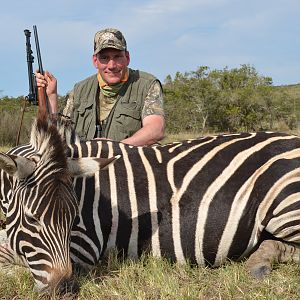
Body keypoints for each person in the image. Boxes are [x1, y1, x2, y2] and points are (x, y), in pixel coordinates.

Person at [35, 28, 165, 146]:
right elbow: (60, 134)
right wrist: (52, 96)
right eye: (104, 58)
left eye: (117, 57)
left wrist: (117, 147)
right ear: (95, 61)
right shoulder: (80, 90)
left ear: (127, 57)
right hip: (87, 165)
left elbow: (155, 129)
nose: (111, 65)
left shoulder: (147, 84)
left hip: (129, 163)